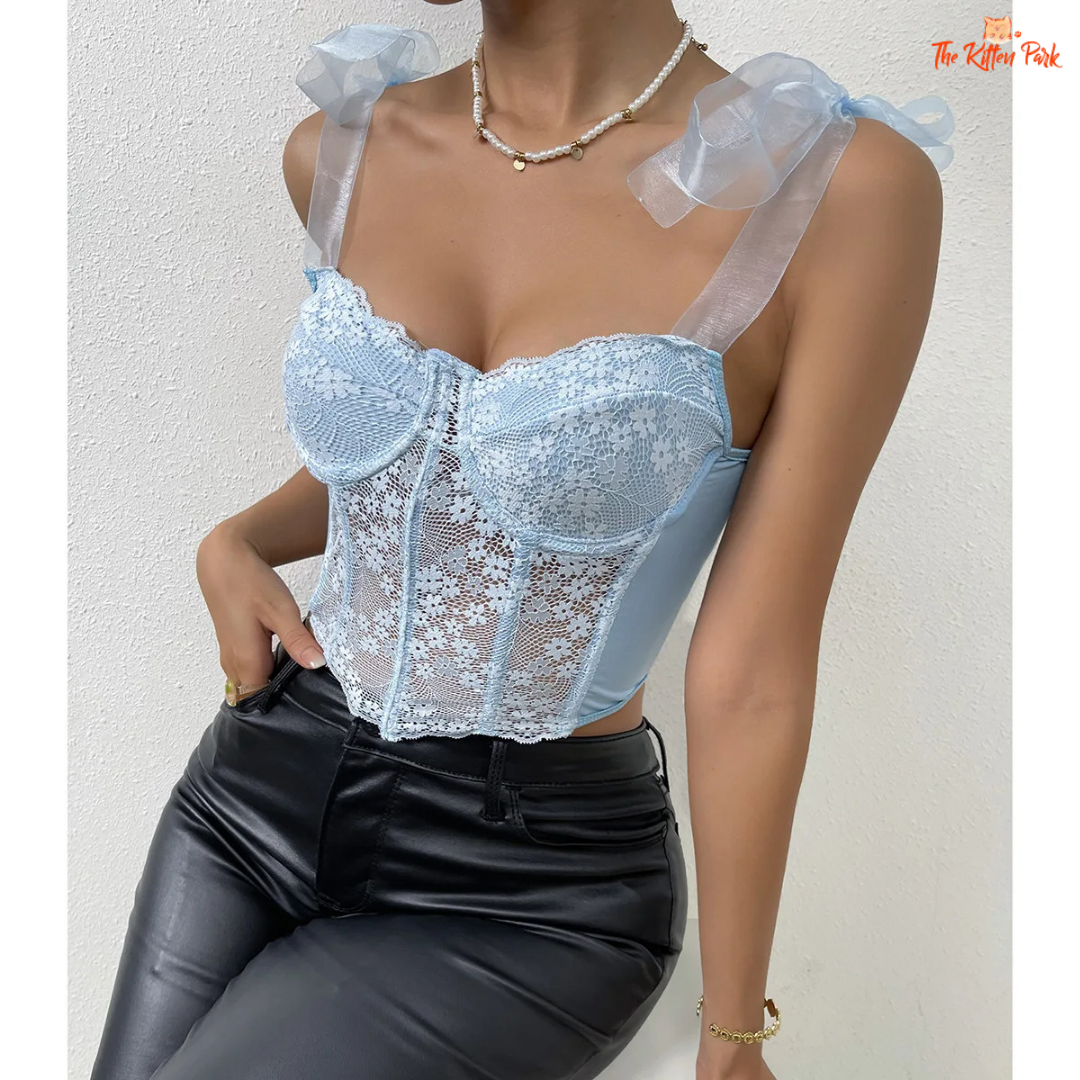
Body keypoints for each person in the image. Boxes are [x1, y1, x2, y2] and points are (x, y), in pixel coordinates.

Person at [88, 3, 953, 1078]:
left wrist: (733, 1038)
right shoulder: (342, 149)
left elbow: (754, 665)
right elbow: (423, 456)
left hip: (530, 892)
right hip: (251, 795)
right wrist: (239, 537)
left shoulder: (838, 191)